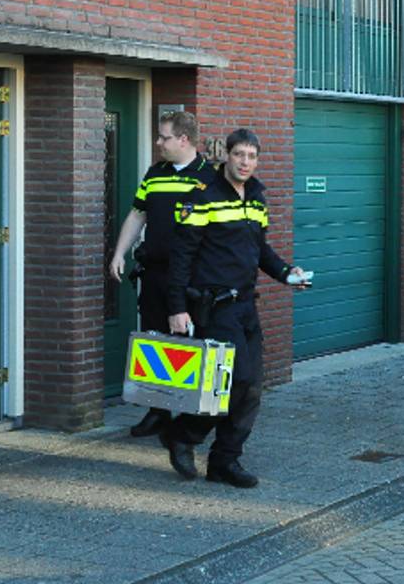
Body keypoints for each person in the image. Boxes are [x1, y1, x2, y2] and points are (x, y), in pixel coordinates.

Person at [161, 129, 306, 488]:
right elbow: (181, 257)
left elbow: (260, 251)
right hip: (214, 307)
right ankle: (182, 433)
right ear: (226, 155)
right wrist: (177, 308)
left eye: (252, 156)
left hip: (245, 305)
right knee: (234, 382)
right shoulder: (201, 196)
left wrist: (287, 273)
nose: (245, 162)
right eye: (239, 154)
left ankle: (224, 461)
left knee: (252, 387)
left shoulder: (256, 199)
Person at [109, 111, 217, 439]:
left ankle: (189, 418)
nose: (158, 142)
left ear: (183, 139)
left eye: (164, 137)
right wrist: (119, 252)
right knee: (155, 343)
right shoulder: (155, 173)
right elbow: (137, 214)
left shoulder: (210, 177)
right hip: (155, 274)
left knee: (189, 345)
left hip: (192, 278)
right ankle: (157, 413)